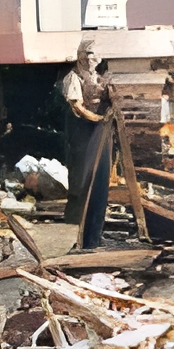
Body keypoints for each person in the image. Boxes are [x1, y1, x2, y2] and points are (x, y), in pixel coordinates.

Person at [59, 40, 115, 246]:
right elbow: (78, 107)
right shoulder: (73, 78)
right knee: (83, 183)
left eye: (95, 55)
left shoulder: (101, 79)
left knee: (100, 184)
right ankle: (78, 237)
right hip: (83, 135)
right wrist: (97, 119)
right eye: (88, 54)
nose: (92, 59)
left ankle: (94, 235)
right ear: (81, 55)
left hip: (102, 134)